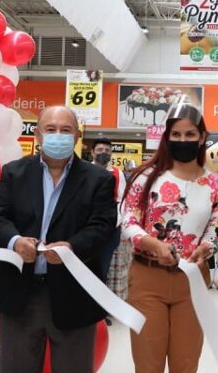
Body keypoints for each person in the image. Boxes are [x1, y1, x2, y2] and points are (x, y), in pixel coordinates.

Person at [0, 106, 117, 373]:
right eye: (51, 129)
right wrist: (15, 241)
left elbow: (102, 226)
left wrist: (72, 247)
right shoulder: (14, 172)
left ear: (77, 136)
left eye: (66, 130)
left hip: (74, 294)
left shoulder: (98, 179)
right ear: (38, 134)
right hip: (19, 293)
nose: (58, 135)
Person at [121, 99, 218, 373]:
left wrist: (206, 248)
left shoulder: (216, 186)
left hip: (192, 281)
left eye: (190, 134)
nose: (183, 140)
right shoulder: (146, 177)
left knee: (186, 363)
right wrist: (152, 244)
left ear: (202, 137)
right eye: (176, 134)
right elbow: (129, 222)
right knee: (148, 363)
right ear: (167, 137)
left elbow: (215, 232)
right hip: (147, 278)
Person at [93, 138, 130, 322]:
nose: (104, 153)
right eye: (100, 149)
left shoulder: (118, 173)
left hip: (109, 229)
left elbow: (122, 201)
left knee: (103, 269)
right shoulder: (84, 170)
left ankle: (99, 311)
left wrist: (116, 222)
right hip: (85, 228)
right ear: (92, 152)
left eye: (107, 150)